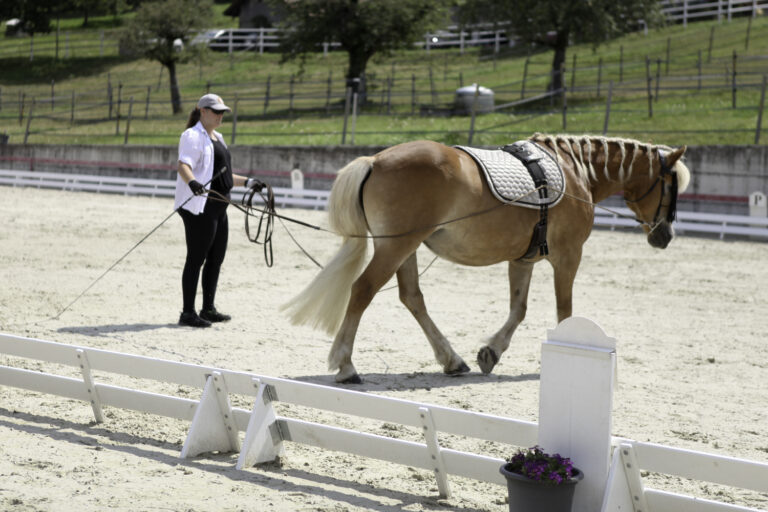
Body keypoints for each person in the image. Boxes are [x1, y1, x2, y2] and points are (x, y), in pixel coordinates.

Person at [174, 93, 260, 328]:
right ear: (202, 110)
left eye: (222, 111)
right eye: (215, 111)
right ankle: (188, 312)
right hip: (199, 207)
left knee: (216, 258)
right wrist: (192, 183)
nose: (220, 115)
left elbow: (222, 175)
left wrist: (250, 182)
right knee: (196, 258)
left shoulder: (218, 138)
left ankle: (208, 308)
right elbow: (184, 165)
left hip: (219, 207)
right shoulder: (192, 136)